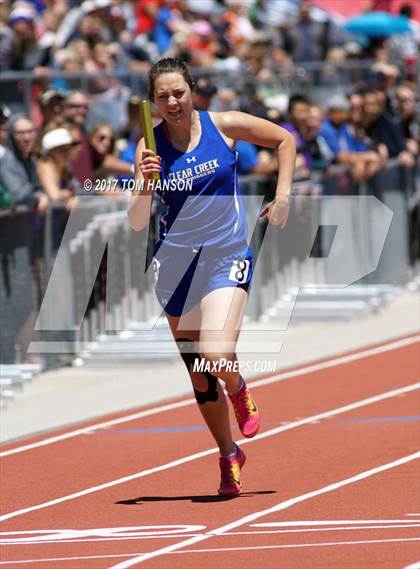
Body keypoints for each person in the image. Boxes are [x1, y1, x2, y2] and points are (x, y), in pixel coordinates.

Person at [128, 58, 296, 497]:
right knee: (200, 376)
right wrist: (144, 184)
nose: (171, 102)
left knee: (217, 355)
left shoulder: (223, 125)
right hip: (176, 267)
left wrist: (282, 197)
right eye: (162, 96)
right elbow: (135, 221)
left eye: (178, 93)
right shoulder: (149, 145)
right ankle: (228, 455)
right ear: (153, 101)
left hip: (226, 255)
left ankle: (239, 387)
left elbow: (284, 140)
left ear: (192, 91)